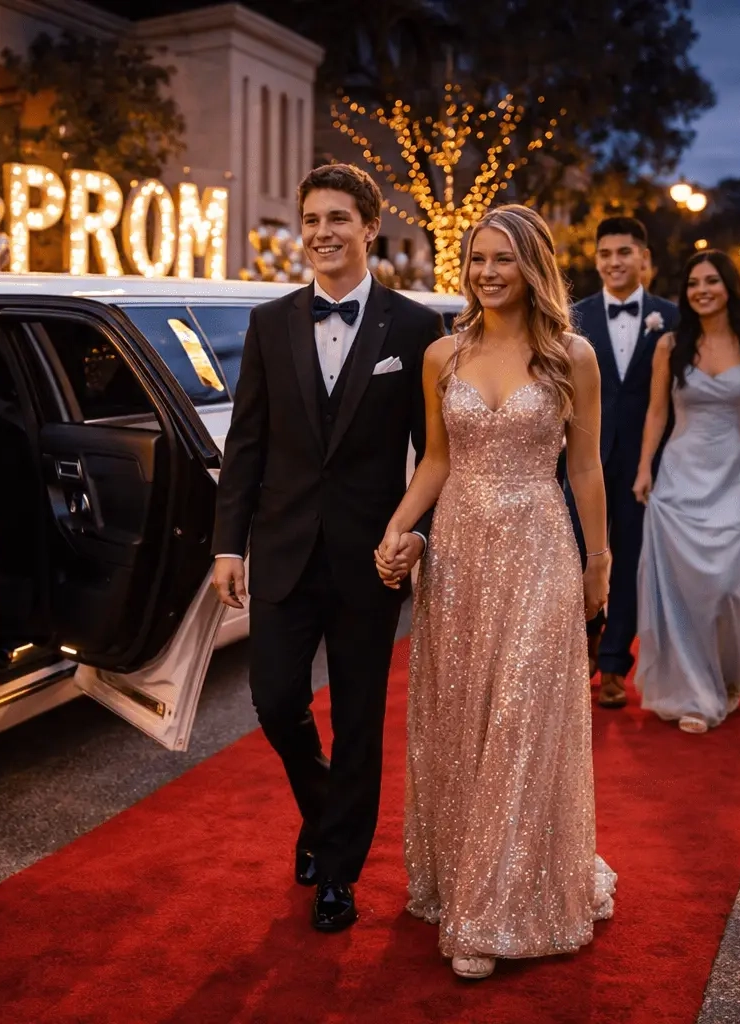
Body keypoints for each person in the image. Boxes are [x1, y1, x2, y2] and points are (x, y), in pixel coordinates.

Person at [377, 206, 616, 980]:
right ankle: (469, 878)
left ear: (533, 266)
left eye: (503, 259)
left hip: (541, 548)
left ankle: (494, 911)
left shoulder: (570, 355)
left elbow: (585, 467)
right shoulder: (442, 353)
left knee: (520, 719)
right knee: (465, 721)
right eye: (477, 258)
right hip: (461, 557)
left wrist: (599, 561)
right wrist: (398, 527)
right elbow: (437, 459)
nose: (487, 272)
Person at [212, 163, 444, 932]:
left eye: (337, 218)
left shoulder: (414, 329)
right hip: (280, 550)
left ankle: (338, 872)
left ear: (370, 227)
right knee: (275, 701)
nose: (320, 233)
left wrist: (416, 536)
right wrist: (227, 546)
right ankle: (324, 812)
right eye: (310, 219)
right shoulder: (270, 322)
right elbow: (245, 446)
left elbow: (435, 451)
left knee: (358, 719)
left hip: (366, 561)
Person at [632, 251, 740, 733]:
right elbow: (657, 412)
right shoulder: (670, 346)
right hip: (680, 476)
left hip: (734, 475)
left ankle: (731, 676)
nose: (702, 290)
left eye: (712, 281)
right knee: (687, 593)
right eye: (694, 282)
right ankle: (695, 694)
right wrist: (643, 469)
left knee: (730, 592)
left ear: (729, 286)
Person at [570, 217, 680, 708]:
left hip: (642, 463)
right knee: (579, 558)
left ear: (644, 259)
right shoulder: (572, 316)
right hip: (581, 458)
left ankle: (615, 664)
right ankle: (585, 646)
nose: (614, 262)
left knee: (631, 561)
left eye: (624, 253)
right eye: (606, 254)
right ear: (596, 261)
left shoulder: (671, 318)